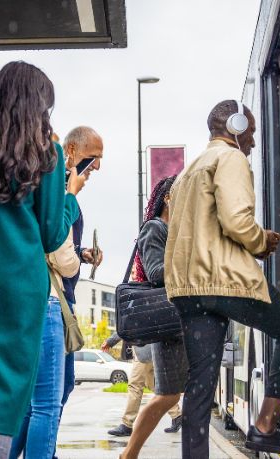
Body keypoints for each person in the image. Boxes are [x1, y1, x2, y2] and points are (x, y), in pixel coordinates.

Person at [0, 62, 85, 459]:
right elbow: (50, 233)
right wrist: (71, 198)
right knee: (6, 405)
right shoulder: (48, 154)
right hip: (21, 291)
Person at [165, 100, 280, 458]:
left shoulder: (186, 172)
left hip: (187, 289)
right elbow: (237, 222)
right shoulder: (231, 158)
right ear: (236, 128)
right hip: (223, 280)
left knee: (200, 385)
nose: (252, 143)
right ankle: (267, 425)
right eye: (251, 133)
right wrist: (262, 242)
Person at [121, 176, 188, 459]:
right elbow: (156, 272)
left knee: (172, 394)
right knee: (167, 395)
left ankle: (130, 453)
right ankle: (130, 453)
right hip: (167, 324)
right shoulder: (154, 228)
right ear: (169, 198)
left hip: (180, 322)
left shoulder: (176, 230)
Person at [54, 126, 105, 455]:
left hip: (63, 299)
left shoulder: (64, 192)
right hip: (56, 300)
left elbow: (62, 240)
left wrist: (84, 253)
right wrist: (73, 260)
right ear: (71, 151)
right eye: (94, 158)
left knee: (59, 387)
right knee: (52, 391)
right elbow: (55, 246)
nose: (97, 167)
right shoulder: (57, 190)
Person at [11, 223, 80, 459]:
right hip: (45, 297)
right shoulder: (55, 194)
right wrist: (77, 260)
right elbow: (64, 260)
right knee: (45, 404)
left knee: (30, 405)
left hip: (16, 297)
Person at [102, 338, 181, 438]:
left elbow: (126, 323)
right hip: (153, 345)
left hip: (144, 346)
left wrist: (111, 341)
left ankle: (127, 424)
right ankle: (177, 415)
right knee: (153, 384)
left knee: (135, 385)